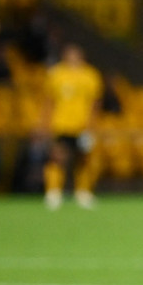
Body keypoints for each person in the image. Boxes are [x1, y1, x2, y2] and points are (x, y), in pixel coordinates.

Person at [40, 43, 103, 209]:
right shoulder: (56, 74)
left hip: (82, 126)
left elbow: (95, 103)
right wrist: (44, 123)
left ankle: (82, 192)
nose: (72, 57)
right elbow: (49, 101)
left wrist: (92, 125)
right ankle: (53, 192)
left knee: (83, 159)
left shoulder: (91, 75)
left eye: (76, 54)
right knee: (56, 158)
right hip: (60, 124)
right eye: (69, 54)